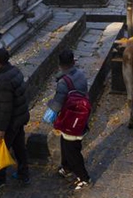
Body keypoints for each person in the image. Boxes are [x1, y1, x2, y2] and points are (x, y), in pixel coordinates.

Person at [45, 50, 92, 191]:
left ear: (59, 65)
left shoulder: (63, 83)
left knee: (72, 150)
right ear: (73, 62)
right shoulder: (81, 75)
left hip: (71, 120)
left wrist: (50, 110)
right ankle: (66, 168)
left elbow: (58, 103)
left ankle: (84, 177)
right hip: (81, 116)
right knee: (65, 144)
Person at [0, 48, 30, 189]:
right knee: (19, 147)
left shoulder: (3, 81)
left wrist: (1, 129)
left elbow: (5, 108)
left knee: (1, 149)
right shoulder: (14, 71)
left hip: (10, 122)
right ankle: (23, 173)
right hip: (19, 118)